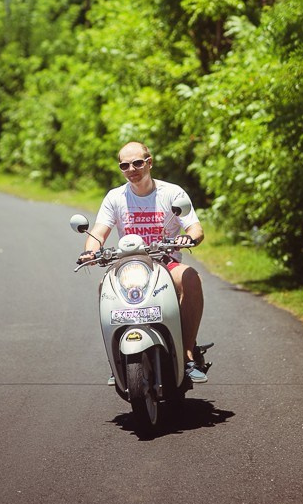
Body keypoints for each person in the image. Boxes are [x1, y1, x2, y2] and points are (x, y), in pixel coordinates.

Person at [78, 140, 208, 383]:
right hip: (128, 266)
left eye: (137, 163)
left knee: (190, 277)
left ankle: (188, 355)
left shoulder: (172, 193)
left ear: (149, 163)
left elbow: (195, 228)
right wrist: (90, 251)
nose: (132, 169)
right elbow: (98, 232)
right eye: (124, 165)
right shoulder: (115, 197)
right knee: (103, 288)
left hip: (165, 262)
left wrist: (188, 238)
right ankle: (117, 360)